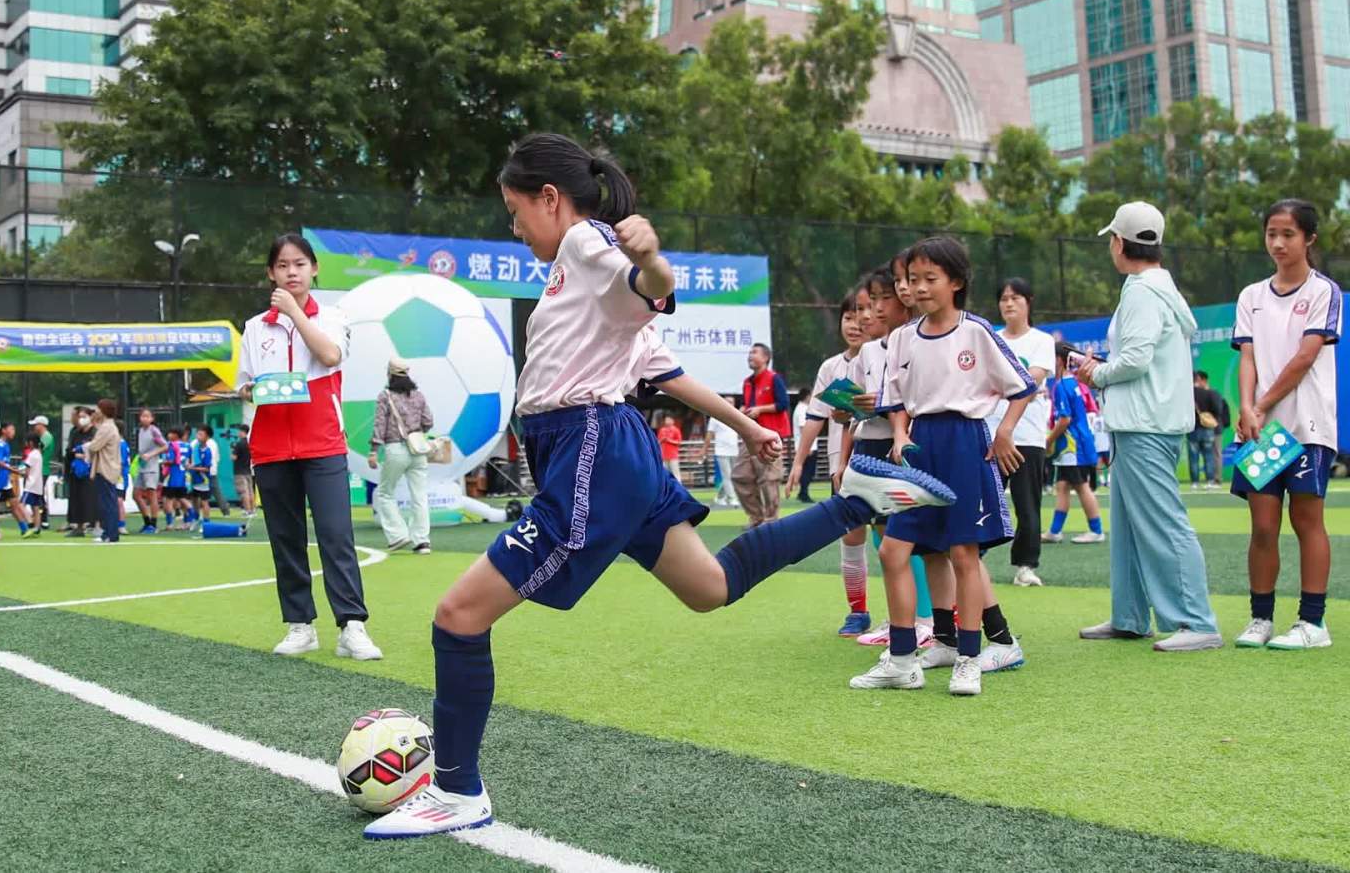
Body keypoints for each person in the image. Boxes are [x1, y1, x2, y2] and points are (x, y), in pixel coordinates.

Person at [365, 133, 952, 839]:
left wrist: (648, 258)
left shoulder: (586, 247)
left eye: (516, 210)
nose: (514, 227)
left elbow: (653, 286)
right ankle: (862, 498)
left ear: (551, 199)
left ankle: (458, 789)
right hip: (613, 450)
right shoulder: (577, 280)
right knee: (709, 587)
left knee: (458, 616)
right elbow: (664, 370)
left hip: (590, 450)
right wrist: (750, 425)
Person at [847, 236, 1035, 697]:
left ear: (956, 282)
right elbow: (894, 397)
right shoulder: (902, 338)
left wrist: (1006, 431)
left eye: (930, 279)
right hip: (920, 448)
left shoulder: (976, 332)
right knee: (895, 551)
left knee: (963, 555)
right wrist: (900, 432)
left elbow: (1021, 387)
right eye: (913, 279)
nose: (919, 287)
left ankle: (969, 659)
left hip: (965, 445)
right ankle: (903, 659)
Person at [1075, 201, 1221, 651]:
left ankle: (1197, 622)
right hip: (1143, 420)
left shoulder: (1140, 290)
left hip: (1143, 423)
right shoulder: (1160, 287)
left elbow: (1135, 359)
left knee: (1161, 522)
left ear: (1119, 243)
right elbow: (1142, 356)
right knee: (1131, 524)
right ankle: (1132, 615)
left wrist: (1096, 372)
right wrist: (1103, 369)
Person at [239, 232, 382, 662]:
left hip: (322, 443)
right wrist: (252, 390)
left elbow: (330, 355)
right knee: (286, 539)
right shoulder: (253, 328)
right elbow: (245, 384)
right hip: (271, 447)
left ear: (314, 268)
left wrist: (294, 315)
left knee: (336, 535)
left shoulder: (333, 317)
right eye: (282, 266)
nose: (291, 272)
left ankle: (352, 625)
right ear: (271, 272)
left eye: (299, 264)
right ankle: (300, 625)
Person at [1230, 199, 1340, 651]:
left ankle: (1313, 623)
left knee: (1306, 519)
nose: (1277, 243)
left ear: (1309, 238)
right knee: (1261, 524)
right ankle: (1261, 618)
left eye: (1288, 234)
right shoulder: (1251, 296)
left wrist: (1261, 405)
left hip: (1307, 425)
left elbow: (1305, 356)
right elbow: (1249, 357)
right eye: (1271, 233)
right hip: (1262, 430)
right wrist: (1247, 407)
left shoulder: (1322, 292)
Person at [844, 266, 936, 649]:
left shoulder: (916, 340)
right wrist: (852, 408)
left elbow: (913, 398)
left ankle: (925, 620)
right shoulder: (868, 350)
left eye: (883, 299)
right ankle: (905, 618)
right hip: (871, 443)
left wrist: (883, 408)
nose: (873, 311)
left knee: (906, 539)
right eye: (870, 302)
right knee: (886, 538)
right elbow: (861, 402)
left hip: (898, 446)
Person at [787, 289, 870, 635]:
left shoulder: (883, 357)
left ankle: (917, 617)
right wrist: (797, 462)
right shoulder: (830, 367)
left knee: (895, 539)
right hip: (842, 463)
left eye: (862, 314)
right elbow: (815, 418)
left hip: (877, 456)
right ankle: (858, 611)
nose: (854, 324)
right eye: (848, 316)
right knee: (851, 535)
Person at [992, 279, 1053, 587]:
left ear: (1028, 301)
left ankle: (1026, 565)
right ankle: (968, 557)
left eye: (1015, 298)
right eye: (1003, 299)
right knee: (983, 500)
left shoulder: (1041, 341)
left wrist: (1000, 387)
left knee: (1027, 506)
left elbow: (1033, 379)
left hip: (1027, 436)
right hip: (989, 435)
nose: (1008, 304)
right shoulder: (989, 338)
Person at [369, 358, 435, 553]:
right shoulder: (418, 396)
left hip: (395, 448)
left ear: (389, 373)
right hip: (418, 450)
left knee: (385, 492)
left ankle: (398, 535)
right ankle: (422, 541)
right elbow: (428, 421)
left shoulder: (385, 396)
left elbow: (380, 425)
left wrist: (373, 450)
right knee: (420, 496)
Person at [1044, 344, 1107, 545]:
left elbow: (1065, 419)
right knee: (1062, 486)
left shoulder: (1062, 385)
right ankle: (1054, 531)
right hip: (1074, 445)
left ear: (1060, 360)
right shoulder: (1073, 383)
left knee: (1081, 486)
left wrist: (1049, 440)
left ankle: (1096, 530)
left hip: (1073, 446)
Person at [732, 343, 789, 527]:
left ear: (766, 358)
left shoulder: (774, 379)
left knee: (769, 479)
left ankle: (771, 520)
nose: (750, 355)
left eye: (754, 352)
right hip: (749, 434)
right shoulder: (747, 382)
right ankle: (756, 518)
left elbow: (783, 404)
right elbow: (747, 404)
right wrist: (741, 411)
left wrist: (760, 410)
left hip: (771, 434)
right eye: (749, 352)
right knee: (739, 475)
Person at [85, 400, 123, 544]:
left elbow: (94, 446)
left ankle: (109, 533)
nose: (96, 411)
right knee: (108, 501)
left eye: (99, 408)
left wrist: (86, 446)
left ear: (104, 410)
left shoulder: (107, 427)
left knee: (107, 502)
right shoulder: (109, 426)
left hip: (106, 469)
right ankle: (110, 533)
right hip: (109, 468)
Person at [1189, 370, 1226, 490]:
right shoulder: (1209, 393)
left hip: (1193, 429)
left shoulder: (1188, 393)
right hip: (1207, 429)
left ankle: (1194, 482)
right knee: (1209, 455)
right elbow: (1218, 409)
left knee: (1194, 457)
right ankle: (1210, 480)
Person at [133, 409, 168, 534]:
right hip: (141, 467)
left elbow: (165, 446)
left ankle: (153, 524)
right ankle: (147, 522)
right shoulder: (141, 431)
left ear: (152, 418)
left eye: (147, 416)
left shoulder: (154, 430)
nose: (145, 418)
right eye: (143, 416)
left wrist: (151, 454)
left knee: (151, 494)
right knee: (136, 494)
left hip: (151, 468)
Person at [64, 408, 94, 538]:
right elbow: (70, 450)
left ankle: (96, 525)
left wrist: (83, 455)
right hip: (76, 470)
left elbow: (94, 450)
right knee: (76, 499)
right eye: (80, 416)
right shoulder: (75, 433)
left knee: (90, 498)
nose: (81, 419)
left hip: (90, 471)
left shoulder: (95, 433)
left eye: (84, 416)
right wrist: (75, 454)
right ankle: (78, 526)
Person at [706, 401, 740, 508]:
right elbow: (709, 434)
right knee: (727, 476)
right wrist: (704, 450)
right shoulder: (715, 417)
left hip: (734, 450)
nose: (730, 404)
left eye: (732, 402)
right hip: (721, 451)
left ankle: (720, 497)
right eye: (728, 402)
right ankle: (732, 498)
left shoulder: (736, 415)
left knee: (733, 476)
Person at [162, 426, 191, 530]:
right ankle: (189, 520)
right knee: (182, 498)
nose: (168, 435)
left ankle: (170, 524)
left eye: (170, 433)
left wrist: (161, 462)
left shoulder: (171, 445)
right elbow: (189, 462)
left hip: (172, 476)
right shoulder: (188, 446)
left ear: (175, 435)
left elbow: (171, 460)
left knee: (168, 500)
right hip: (184, 476)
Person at [18, 433, 46, 538]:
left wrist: (21, 473)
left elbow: (27, 471)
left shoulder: (32, 454)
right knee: (35, 507)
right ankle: (37, 528)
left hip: (31, 485)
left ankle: (30, 523)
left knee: (21, 505)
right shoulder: (39, 454)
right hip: (38, 484)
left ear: (31, 442)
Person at [28, 415, 53, 530]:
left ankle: (43, 520)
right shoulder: (43, 436)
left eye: (35, 425)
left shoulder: (46, 437)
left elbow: (40, 449)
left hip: (42, 470)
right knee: (39, 494)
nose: (34, 427)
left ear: (42, 425)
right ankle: (40, 519)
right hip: (39, 470)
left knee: (38, 495)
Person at [231, 423, 255, 517]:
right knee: (250, 491)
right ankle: (252, 510)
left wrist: (232, 450)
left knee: (243, 492)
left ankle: (247, 510)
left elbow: (233, 457)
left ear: (242, 432)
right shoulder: (249, 443)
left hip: (239, 471)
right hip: (247, 470)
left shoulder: (239, 444)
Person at [655, 414, 684, 483]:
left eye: (668, 419)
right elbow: (657, 442)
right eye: (666, 420)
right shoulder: (662, 430)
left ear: (672, 421)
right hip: (664, 455)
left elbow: (679, 442)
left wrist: (669, 440)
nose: (667, 421)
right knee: (664, 472)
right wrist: (662, 440)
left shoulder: (676, 430)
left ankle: (678, 486)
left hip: (673, 455)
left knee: (675, 472)